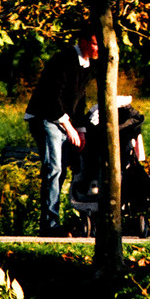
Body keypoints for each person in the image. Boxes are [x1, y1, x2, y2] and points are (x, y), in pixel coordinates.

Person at [24, 29, 98, 236]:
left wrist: (81, 129)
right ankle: (49, 226)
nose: (97, 48)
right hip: (46, 117)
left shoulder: (87, 65)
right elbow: (52, 97)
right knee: (54, 169)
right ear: (82, 42)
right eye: (94, 43)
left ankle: (54, 220)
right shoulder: (63, 60)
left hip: (64, 120)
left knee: (63, 171)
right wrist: (69, 127)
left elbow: (78, 99)